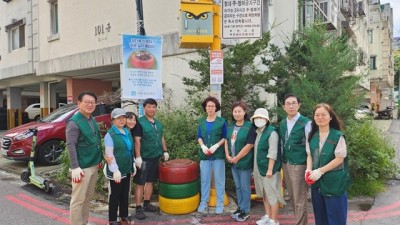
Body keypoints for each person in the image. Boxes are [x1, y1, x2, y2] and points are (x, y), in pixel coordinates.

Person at [306, 103, 350, 225]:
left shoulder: (337, 136)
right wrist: (309, 170)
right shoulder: (311, 136)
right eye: (317, 115)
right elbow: (309, 154)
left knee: (336, 218)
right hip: (317, 183)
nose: (320, 117)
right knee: (320, 217)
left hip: (334, 183)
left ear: (330, 117)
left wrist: (320, 171)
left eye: (323, 115)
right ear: (314, 118)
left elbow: (339, 158)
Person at [66, 91, 103, 225]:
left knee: (87, 197)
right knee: (78, 200)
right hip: (82, 167)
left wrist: (99, 160)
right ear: (79, 103)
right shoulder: (74, 122)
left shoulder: (91, 118)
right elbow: (71, 145)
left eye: (92, 102)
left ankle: (84, 222)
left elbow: (95, 141)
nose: (90, 105)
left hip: (93, 164)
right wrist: (75, 167)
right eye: (86, 102)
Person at [133, 98, 169, 220]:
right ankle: (138, 208)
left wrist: (165, 150)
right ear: (144, 107)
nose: (152, 109)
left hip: (155, 156)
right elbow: (137, 140)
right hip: (143, 158)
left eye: (154, 107)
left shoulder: (158, 123)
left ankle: (147, 203)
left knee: (150, 181)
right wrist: (137, 157)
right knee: (140, 183)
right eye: (149, 107)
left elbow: (161, 137)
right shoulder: (139, 122)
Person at [279, 94, 311, 225]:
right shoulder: (282, 123)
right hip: (286, 163)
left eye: (293, 103)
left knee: (299, 197)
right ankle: (300, 221)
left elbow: (310, 146)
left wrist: (309, 167)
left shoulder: (306, 122)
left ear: (299, 105)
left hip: (300, 163)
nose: (291, 106)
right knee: (292, 196)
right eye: (288, 103)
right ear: (283, 106)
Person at [251, 108, 285, 225]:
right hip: (260, 169)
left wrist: (270, 169)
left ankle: (274, 220)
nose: (258, 120)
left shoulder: (272, 132)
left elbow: (273, 153)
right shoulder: (259, 132)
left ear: (266, 120)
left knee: (272, 195)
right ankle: (267, 215)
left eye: (261, 118)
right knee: (265, 194)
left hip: (268, 170)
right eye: (256, 118)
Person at [103, 108, 136, 225]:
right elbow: (109, 155)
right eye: (118, 118)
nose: (122, 120)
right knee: (115, 196)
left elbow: (130, 150)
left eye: (123, 117)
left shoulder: (126, 132)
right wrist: (115, 170)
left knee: (125, 194)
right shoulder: (110, 135)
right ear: (113, 120)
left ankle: (124, 215)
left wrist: (133, 164)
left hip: (126, 168)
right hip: (116, 171)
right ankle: (112, 219)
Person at [225, 102, 256, 222]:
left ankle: (246, 211)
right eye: (235, 111)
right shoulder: (230, 126)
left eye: (239, 111)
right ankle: (240, 208)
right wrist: (227, 155)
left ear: (244, 112)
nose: (237, 114)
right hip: (233, 162)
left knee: (245, 187)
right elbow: (226, 141)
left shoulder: (250, 126)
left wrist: (237, 158)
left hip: (244, 163)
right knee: (238, 186)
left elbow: (249, 145)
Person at [197, 96, 227, 214]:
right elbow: (199, 136)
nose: (210, 108)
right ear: (205, 108)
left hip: (218, 155)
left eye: (212, 106)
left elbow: (225, 137)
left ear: (216, 108)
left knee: (219, 180)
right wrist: (203, 146)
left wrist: (216, 146)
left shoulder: (222, 121)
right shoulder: (202, 122)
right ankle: (204, 202)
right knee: (205, 179)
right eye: (208, 106)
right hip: (205, 156)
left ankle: (220, 203)